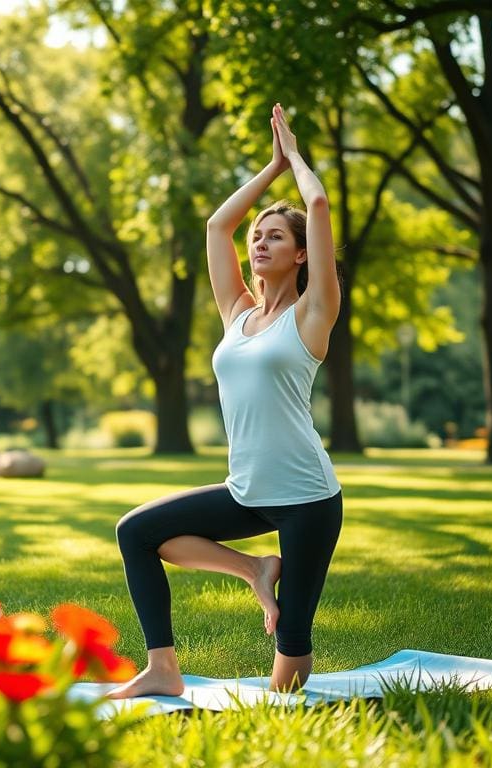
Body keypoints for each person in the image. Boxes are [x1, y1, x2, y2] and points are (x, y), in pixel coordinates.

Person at [110, 104, 343, 698]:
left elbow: (317, 206)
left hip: (308, 500)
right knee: (136, 532)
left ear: (301, 255)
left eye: (275, 237)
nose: (260, 241)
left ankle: (283, 617)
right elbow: (217, 227)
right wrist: (267, 171)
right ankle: (168, 661)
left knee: (289, 669)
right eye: (258, 235)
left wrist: (293, 157)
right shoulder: (237, 313)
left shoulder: (312, 315)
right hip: (247, 491)